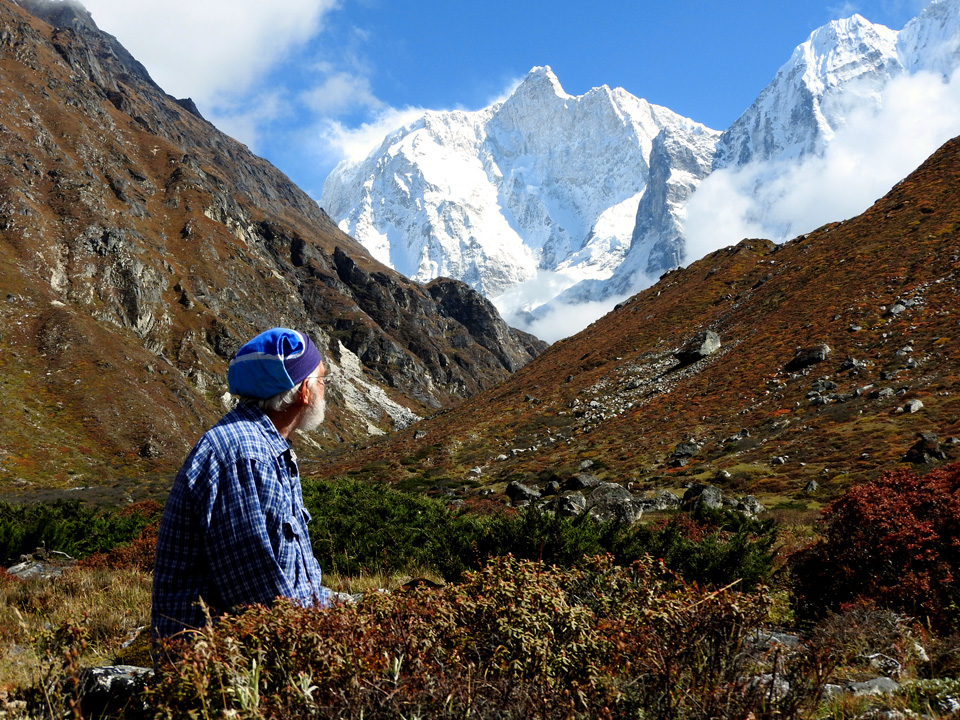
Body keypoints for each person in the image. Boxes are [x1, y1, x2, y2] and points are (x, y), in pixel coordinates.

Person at [151, 327, 333, 641]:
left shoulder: (262, 445)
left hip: (251, 649)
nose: (324, 389)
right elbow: (257, 599)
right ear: (304, 391)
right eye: (321, 379)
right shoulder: (244, 456)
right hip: (221, 669)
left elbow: (294, 583)